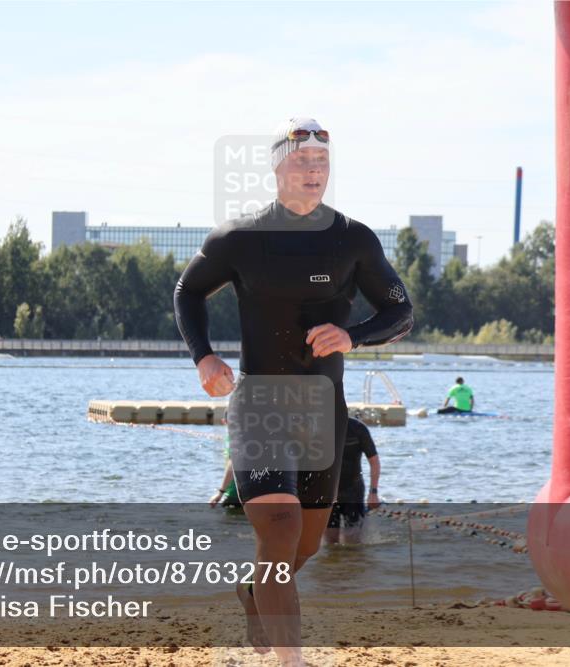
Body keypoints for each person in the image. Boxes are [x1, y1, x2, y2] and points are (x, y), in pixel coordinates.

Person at [174, 117, 413, 666]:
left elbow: (401, 311)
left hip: (323, 409)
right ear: (278, 167)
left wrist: (352, 335)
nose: (313, 171)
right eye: (302, 161)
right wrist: (204, 356)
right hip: (259, 401)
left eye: (322, 163)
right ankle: (291, 661)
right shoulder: (240, 238)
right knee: (279, 528)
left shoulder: (353, 238)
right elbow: (188, 291)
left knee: (302, 545)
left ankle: (256, 591)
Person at [324, 416, 380, 545]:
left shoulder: (358, 428)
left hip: (353, 490)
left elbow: (374, 462)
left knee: (353, 543)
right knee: (330, 544)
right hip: (327, 492)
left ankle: (353, 563)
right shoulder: (317, 428)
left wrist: (373, 493)